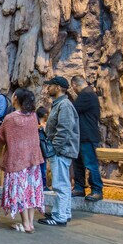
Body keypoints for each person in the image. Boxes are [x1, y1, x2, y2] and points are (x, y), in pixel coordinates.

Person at [0, 88, 45, 233]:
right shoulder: (33, 116)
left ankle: (25, 224)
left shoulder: (10, 118)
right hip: (33, 160)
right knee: (31, 191)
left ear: (16, 98)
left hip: (17, 161)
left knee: (20, 191)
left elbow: (0, 138)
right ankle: (30, 223)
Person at [38, 76, 79, 227]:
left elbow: (64, 130)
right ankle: (63, 212)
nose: (48, 88)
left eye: (51, 86)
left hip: (61, 151)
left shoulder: (65, 105)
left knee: (60, 184)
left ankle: (59, 216)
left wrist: (54, 148)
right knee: (64, 184)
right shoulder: (59, 104)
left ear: (58, 87)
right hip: (61, 150)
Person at [71, 75, 103, 202]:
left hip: (87, 136)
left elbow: (73, 110)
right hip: (82, 136)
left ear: (74, 85)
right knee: (78, 164)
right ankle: (79, 187)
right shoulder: (88, 93)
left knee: (90, 163)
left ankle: (97, 190)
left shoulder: (86, 94)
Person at [36, 106, 51, 191]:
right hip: (42, 151)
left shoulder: (36, 125)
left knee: (41, 169)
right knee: (42, 169)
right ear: (45, 115)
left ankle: (42, 185)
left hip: (39, 151)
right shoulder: (41, 126)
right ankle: (43, 186)